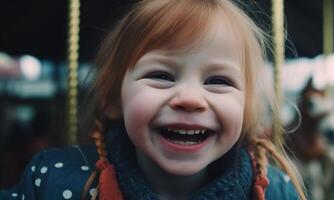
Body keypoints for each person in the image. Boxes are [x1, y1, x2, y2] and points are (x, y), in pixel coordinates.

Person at [0, 0, 307, 199]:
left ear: (246, 107)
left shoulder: (274, 191)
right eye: (161, 76)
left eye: (218, 81)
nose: (189, 98)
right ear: (113, 97)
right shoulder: (56, 182)